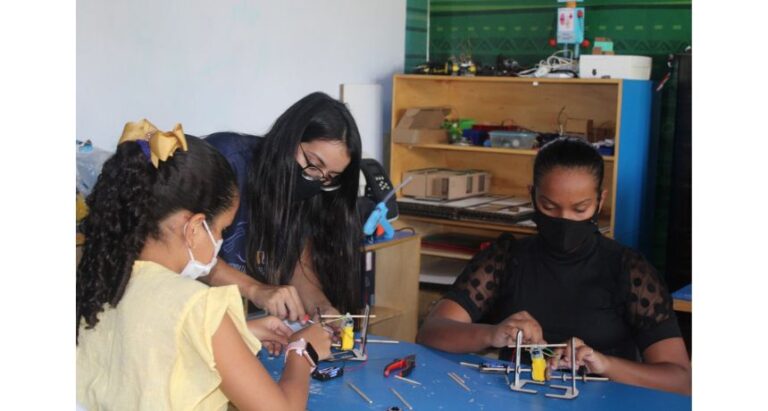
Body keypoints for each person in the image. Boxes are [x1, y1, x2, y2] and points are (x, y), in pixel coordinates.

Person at [76, 120, 332, 410]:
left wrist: (239, 332)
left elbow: (150, 347)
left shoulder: (100, 280)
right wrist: (302, 353)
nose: (221, 240)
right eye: (223, 229)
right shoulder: (194, 304)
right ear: (195, 228)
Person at [416, 137, 691, 395]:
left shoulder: (630, 271)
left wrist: (605, 365)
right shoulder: (505, 258)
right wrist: (493, 333)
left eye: (580, 209)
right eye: (549, 207)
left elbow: (681, 380)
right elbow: (432, 332)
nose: (564, 220)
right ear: (533, 196)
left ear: (600, 201)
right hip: (517, 400)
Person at [202, 92, 363, 323]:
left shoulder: (309, 189)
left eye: (330, 176)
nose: (317, 178)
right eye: (315, 164)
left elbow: (299, 266)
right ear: (291, 137)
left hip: (238, 321)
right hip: (189, 314)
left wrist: (322, 308)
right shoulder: (227, 160)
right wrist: (256, 290)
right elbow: (187, 252)